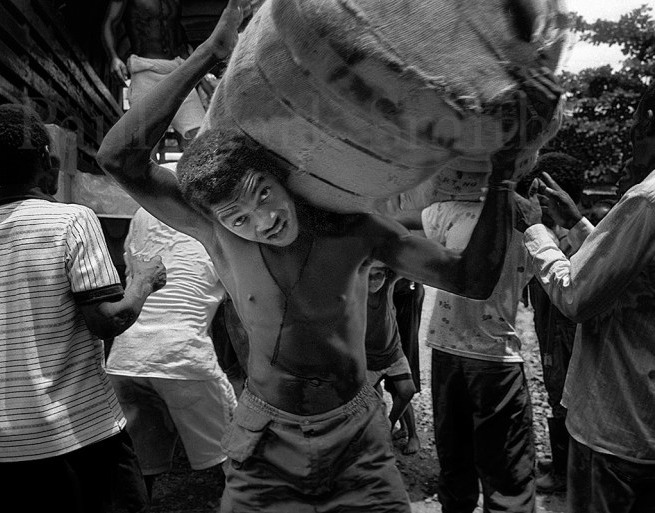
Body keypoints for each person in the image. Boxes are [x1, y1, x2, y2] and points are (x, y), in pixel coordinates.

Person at [96, 1, 562, 510]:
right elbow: (118, 157)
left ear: (279, 176)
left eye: (263, 194)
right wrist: (210, 53)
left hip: (356, 436)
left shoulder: (356, 231)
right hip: (265, 437)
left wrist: (502, 176)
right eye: (238, 216)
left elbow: (470, 280)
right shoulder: (217, 234)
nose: (262, 219)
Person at [0, 104, 167, 513]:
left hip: (8, 449)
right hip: (82, 436)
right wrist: (143, 280)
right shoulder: (72, 222)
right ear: (49, 160)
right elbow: (109, 321)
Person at [516, 68, 655, 513]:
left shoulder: (651, 200)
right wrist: (577, 225)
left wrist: (535, 229)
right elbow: (642, 281)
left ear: (648, 120)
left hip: (615, 427)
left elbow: (575, 296)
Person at [395, 191, 538, 512]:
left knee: (457, 471)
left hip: (452, 354)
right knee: (506, 479)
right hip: (494, 358)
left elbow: (396, 223)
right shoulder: (528, 218)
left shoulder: (454, 210)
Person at [106, 206, 236, 499]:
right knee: (234, 458)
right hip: (184, 359)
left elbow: (131, 269)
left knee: (140, 468)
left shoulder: (141, 212)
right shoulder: (216, 220)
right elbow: (235, 288)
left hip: (126, 358)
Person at [517, 152, 586, 493]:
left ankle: (564, 473)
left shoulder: (569, 240)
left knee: (562, 395)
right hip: (549, 331)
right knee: (555, 388)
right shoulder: (550, 232)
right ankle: (562, 462)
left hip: (565, 336)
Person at [102, 0, 207, 148]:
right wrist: (113, 57)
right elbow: (110, 23)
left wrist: (198, 79)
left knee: (198, 141)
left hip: (178, 71)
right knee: (143, 145)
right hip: (145, 70)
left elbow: (179, 37)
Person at [363, 264, 416, 443]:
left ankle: (390, 424)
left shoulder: (388, 286)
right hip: (369, 360)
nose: (374, 280)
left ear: (386, 275)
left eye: (378, 275)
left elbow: (403, 266)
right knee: (366, 403)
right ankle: (376, 436)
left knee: (407, 390)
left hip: (393, 353)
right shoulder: (356, 292)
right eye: (369, 276)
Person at [389, 278, 424, 455]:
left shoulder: (412, 297)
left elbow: (419, 285)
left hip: (406, 345)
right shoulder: (388, 295)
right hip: (391, 346)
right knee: (392, 385)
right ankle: (403, 428)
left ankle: (413, 435)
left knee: (400, 385)